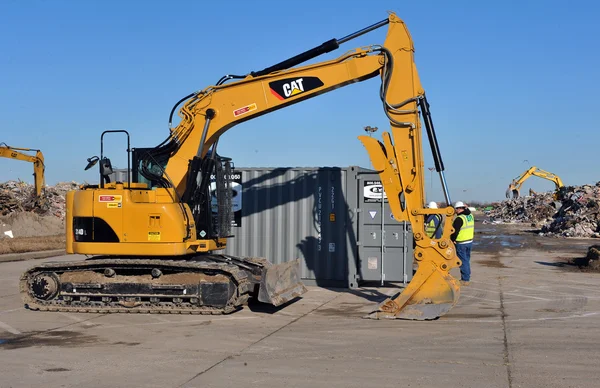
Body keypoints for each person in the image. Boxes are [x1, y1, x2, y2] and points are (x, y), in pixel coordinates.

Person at [450, 201, 474, 286]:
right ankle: (467, 276)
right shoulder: (470, 216)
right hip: (469, 242)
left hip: (461, 243)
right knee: (466, 260)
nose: (455, 211)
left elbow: (454, 232)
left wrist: (452, 240)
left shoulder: (459, 219)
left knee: (463, 261)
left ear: (459, 209)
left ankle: (465, 279)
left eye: (456, 209)